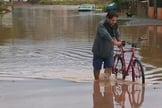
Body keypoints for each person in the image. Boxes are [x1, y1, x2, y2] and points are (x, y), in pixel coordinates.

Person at [92, 11, 122, 80]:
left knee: (109, 66)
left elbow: (117, 34)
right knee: (97, 67)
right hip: (98, 51)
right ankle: (96, 81)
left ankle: (106, 81)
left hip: (109, 52)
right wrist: (115, 42)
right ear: (107, 18)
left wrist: (119, 41)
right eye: (113, 20)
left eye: (115, 20)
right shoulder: (101, 25)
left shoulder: (115, 25)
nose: (114, 22)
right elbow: (106, 35)